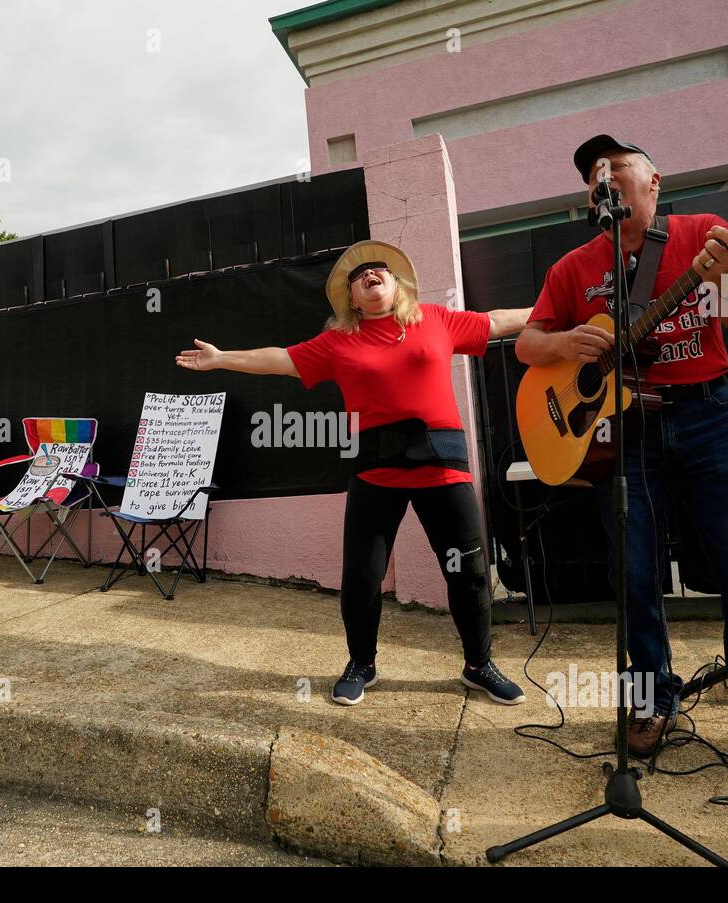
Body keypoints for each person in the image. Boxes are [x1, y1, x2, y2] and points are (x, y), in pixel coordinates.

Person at [514, 134, 728, 809]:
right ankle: (650, 701)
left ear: (655, 182)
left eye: (618, 171)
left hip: (707, 416)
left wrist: (726, 279)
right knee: (632, 579)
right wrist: (566, 341)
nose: (605, 183)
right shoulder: (573, 267)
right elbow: (526, 343)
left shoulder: (706, 233)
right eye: (593, 179)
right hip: (625, 433)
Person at [176, 240, 531, 706]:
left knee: (467, 573)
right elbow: (281, 359)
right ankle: (362, 663)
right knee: (363, 577)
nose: (369, 275)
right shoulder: (338, 342)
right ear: (351, 298)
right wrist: (223, 358)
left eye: (377, 269)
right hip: (375, 473)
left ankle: (478, 665)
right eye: (358, 277)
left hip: (442, 469)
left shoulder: (434, 318)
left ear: (395, 281)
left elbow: (500, 320)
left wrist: (563, 306)